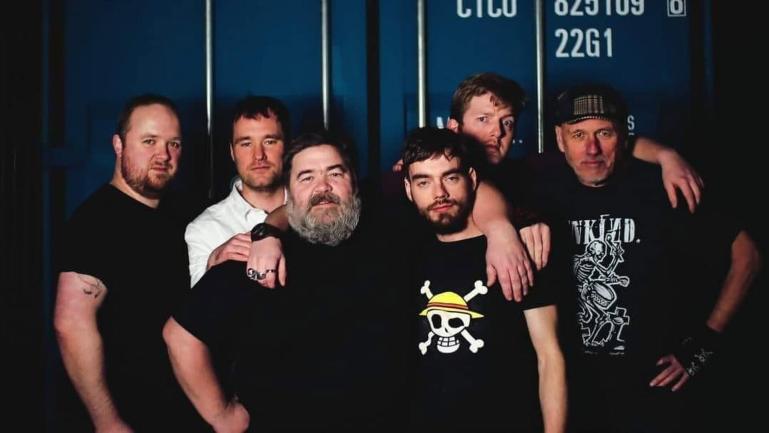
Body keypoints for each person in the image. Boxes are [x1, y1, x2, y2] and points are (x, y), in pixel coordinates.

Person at [532, 84, 759, 432]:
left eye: (604, 133)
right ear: (560, 139)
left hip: (654, 395)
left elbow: (748, 255)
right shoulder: (542, 184)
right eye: (579, 135)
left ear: (623, 136)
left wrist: (703, 345)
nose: (591, 149)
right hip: (576, 394)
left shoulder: (663, 186)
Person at [163, 131, 412, 431]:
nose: (323, 187)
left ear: (355, 183)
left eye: (335, 173)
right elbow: (180, 336)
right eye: (306, 178)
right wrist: (221, 415)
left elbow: (442, 179)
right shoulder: (258, 257)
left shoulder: (387, 235)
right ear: (289, 192)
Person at [440, 72, 706, 268]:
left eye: (507, 122)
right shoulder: (428, 181)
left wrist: (666, 155)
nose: (497, 132)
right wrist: (500, 229)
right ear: (454, 128)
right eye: (483, 119)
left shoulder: (527, 173)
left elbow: (600, 148)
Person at [53, 94, 206, 432]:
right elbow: (71, 325)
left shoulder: (180, 213)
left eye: (174, 144)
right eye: (149, 141)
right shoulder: (94, 223)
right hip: (126, 416)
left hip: (177, 411)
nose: (163, 155)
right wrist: (106, 420)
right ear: (118, 145)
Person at [401, 127, 566, 433]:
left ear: (472, 179)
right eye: (424, 182)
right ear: (409, 190)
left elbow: (549, 356)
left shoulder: (520, 250)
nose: (439, 193)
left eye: (451, 178)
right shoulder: (409, 254)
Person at [185, 96, 288, 287]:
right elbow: (198, 305)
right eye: (246, 144)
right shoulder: (204, 229)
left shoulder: (313, 207)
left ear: (287, 146)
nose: (259, 155)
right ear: (232, 152)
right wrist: (212, 266)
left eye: (269, 141)